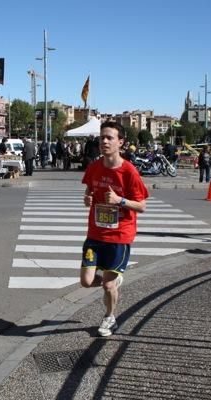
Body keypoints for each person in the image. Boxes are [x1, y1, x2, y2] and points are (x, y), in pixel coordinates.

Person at [80, 122, 148, 337]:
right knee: (86, 281)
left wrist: (120, 201)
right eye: (102, 137)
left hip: (119, 235)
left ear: (121, 142)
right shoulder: (94, 167)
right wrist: (88, 198)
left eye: (109, 138)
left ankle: (110, 317)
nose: (104, 141)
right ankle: (113, 280)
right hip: (95, 234)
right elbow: (89, 192)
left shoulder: (129, 172)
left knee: (108, 285)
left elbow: (141, 206)